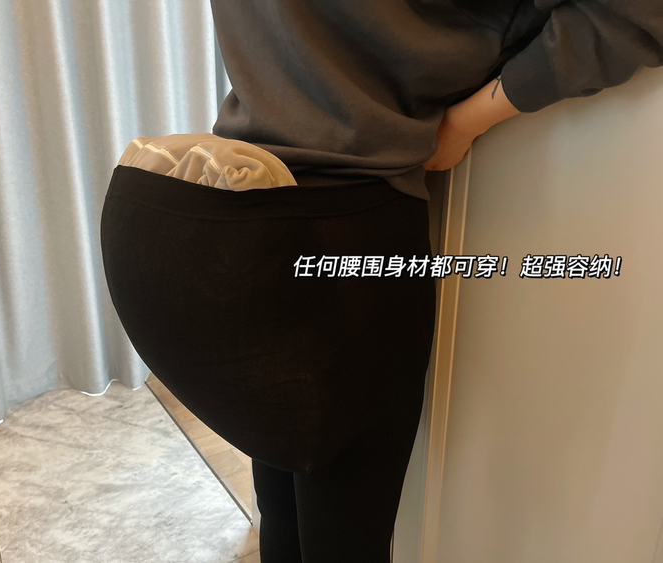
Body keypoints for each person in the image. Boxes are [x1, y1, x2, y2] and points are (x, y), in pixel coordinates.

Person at [100, 1, 663, 561]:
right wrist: (466, 121)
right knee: (343, 537)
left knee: (283, 506)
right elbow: (637, 15)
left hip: (210, 212)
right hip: (346, 241)